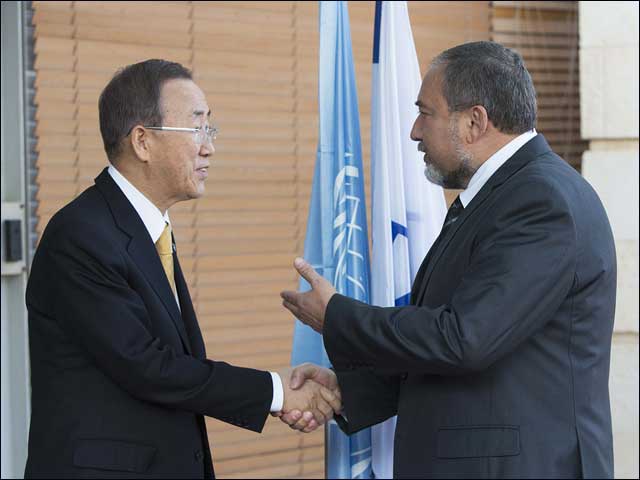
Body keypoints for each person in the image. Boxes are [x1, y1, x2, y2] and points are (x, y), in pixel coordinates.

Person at [278, 41, 616, 478]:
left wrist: (338, 316)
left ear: (475, 121)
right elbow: (453, 350)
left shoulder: (541, 201)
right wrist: (348, 391)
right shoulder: (501, 196)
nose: (415, 131)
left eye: (426, 112)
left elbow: (463, 339)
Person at [24, 59, 341, 479]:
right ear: (142, 142)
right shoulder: (81, 236)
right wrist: (278, 392)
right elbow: (149, 367)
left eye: (211, 130)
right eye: (197, 128)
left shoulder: (147, 228)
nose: (209, 146)